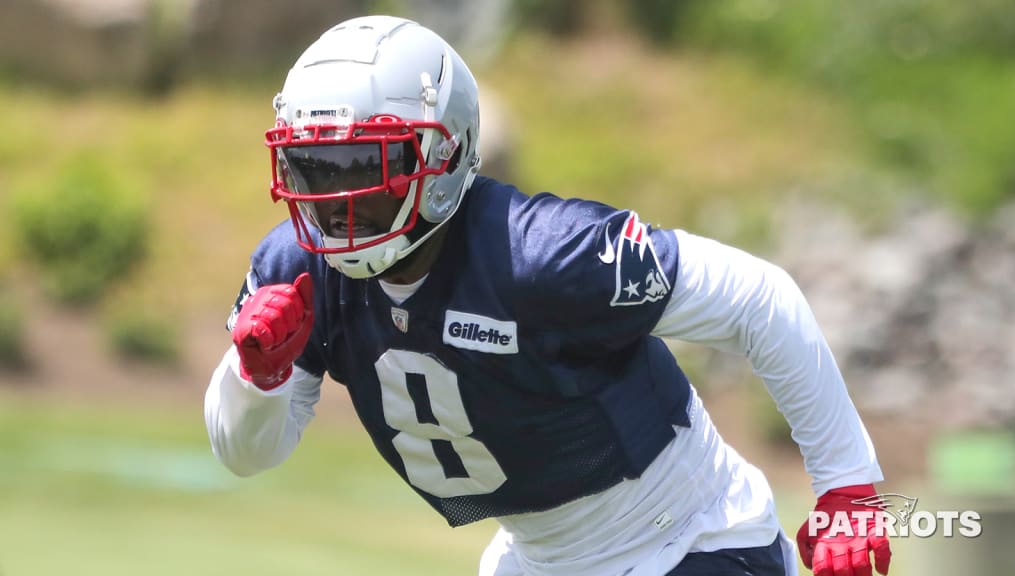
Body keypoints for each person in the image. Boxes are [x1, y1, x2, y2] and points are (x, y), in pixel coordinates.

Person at [204, 14, 892, 576]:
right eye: (312, 167)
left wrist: (847, 485)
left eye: (359, 166)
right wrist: (255, 376)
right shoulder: (295, 268)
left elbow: (758, 297)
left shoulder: (544, 255)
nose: (335, 200)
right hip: (536, 558)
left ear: (440, 159)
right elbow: (245, 453)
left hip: (684, 540)